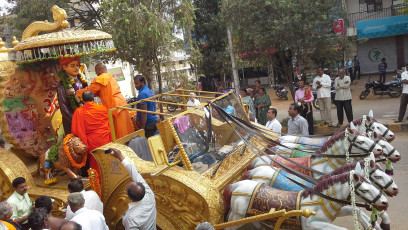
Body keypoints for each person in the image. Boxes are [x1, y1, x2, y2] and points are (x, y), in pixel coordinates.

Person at [73, 63, 133, 139]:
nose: (96, 73)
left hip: (114, 105)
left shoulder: (101, 79)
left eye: (96, 71)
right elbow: (101, 91)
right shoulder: (110, 77)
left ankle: (123, 146)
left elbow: (90, 90)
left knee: (119, 130)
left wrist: (75, 92)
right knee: (126, 127)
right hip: (122, 102)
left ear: (99, 69)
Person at [108, 148, 156, 230]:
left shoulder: (131, 218)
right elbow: (135, 174)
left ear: (129, 197)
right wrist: (120, 157)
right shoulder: (150, 195)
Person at [71, 91, 112, 175]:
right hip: (105, 139)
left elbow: (75, 130)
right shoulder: (102, 108)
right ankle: (112, 181)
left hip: (91, 143)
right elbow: (109, 123)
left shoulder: (79, 112)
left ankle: (100, 183)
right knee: (108, 160)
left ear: (82, 100)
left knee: (96, 164)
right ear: (93, 98)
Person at [57, 56, 88, 135]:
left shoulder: (82, 81)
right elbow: (64, 110)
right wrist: (78, 122)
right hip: (72, 123)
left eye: (77, 65)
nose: (76, 68)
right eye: (72, 66)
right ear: (64, 67)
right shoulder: (62, 86)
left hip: (87, 119)